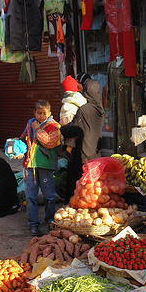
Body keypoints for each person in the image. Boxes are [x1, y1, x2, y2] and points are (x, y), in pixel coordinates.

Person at [60, 73, 104, 203]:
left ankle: (76, 206)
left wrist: (61, 128)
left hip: (81, 152)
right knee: (93, 186)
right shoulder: (99, 108)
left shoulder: (84, 109)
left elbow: (72, 130)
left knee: (79, 184)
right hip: (95, 152)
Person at [21, 100, 61, 236]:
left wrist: (37, 128)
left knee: (49, 195)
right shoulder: (30, 123)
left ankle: (50, 221)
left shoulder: (54, 126)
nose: (41, 116)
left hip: (46, 165)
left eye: (44, 113)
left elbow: (49, 142)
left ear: (50, 113)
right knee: (30, 196)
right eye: (38, 113)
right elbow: (24, 138)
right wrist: (16, 146)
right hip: (30, 165)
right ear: (34, 112)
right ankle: (33, 224)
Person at [59, 75, 88, 157]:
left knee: (68, 136)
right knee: (74, 135)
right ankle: (68, 150)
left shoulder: (65, 97)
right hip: (70, 117)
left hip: (63, 118)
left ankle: (66, 148)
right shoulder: (76, 96)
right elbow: (83, 103)